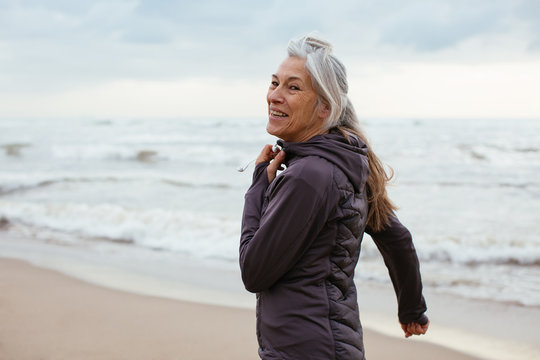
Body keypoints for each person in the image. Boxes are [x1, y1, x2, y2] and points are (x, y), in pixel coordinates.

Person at [240, 35, 429, 360]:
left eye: (293, 87)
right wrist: (412, 307)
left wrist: (258, 187)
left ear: (324, 107)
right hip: (328, 343)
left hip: (306, 349)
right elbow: (396, 236)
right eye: (275, 83)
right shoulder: (342, 162)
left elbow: (253, 271)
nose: (275, 96)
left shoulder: (310, 176)